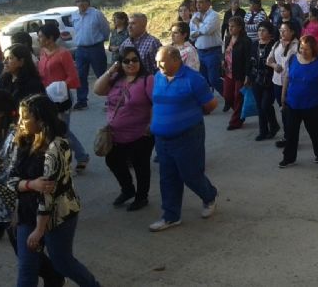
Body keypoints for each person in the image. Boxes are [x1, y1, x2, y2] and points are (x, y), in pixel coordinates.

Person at [10, 94, 100, 287]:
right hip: (28, 212)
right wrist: (30, 184)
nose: (20, 122)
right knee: (26, 267)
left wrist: (39, 230)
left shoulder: (57, 146)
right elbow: (9, 180)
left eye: (25, 117)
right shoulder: (22, 140)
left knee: (63, 263)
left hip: (57, 215)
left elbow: (48, 193)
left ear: (41, 120)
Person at [149, 47, 218, 232]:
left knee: (191, 174)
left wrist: (187, 115)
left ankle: (209, 195)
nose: (157, 65)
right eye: (156, 62)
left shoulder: (193, 79)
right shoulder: (157, 77)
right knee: (167, 177)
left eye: (161, 62)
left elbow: (210, 104)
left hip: (187, 136)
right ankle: (171, 216)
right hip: (162, 138)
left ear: (175, 59)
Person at [92, 47, 154, 212]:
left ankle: (142, 197)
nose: (131, 63)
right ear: (120, 63)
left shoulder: (147, 80)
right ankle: (127, 189)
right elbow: (97, 90)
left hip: (141, 134)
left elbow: (157, 103)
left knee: (140, 166)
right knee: (112, 160)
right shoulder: (116, 79)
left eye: (135, 60)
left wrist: (152, 124)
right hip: (116, 134)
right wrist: (111, 70)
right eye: (126, 61)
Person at [36, 24, 89, 174]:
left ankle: (80, 156)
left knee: (62, 129)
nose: (39, 39)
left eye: (41, 36)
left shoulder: (63, 54)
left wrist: (58, 87)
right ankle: (69, 158)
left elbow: (73, 76)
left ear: (50, 38)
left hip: (61, 97)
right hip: (46, 97)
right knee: (53, 129)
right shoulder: (43, 52)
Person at [279, 36, 318, 168]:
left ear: (313, 49)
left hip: (312, 105)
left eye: (307, 49)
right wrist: (283, 95)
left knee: (315, 131)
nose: (303, 51)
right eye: (301, 48)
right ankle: (288, 158)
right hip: (292, 103)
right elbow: (287, 78)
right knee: (291, 132)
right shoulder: (293, 59)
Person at [0, 89, 18, 286]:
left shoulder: (14, 137)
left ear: (0, 112)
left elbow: (16, 173)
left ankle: (53, 274)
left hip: (9, 205)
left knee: (26, 253)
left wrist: (18, 209)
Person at [70, 0, 110, 110]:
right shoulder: (74, 15)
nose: (81, 3)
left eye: (84, 0)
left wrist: (102, 40)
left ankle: (110, 99)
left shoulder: (96, 14)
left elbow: (105, 29)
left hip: (95, 48)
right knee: (80, 76)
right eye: (78, 1)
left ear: (89, 2)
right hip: (81, 50)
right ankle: (82, 101)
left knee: (102, 75)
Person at [247, 21, 280, 142]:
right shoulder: (254, 44)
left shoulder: (274, 45)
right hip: (256, 79)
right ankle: (263, 131)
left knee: (266, 104)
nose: (260, 32)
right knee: (260, 107)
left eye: (264, 30)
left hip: (270, 80)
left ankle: (274, 125)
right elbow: (250, 61)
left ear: (270, 33)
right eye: (259, 30)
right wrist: (248, 76)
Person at [267, 23, 299, 149]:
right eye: (281, 30)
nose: (282, 33)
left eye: (285, 30)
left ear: (292, 32)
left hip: (291, 83)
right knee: (283, 109)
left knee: (290, 112)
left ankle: (290, 137)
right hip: (277, 82)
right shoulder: (277, 44)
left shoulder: (297, 46)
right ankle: (287, 136)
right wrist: (275, 66)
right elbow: (269, 60)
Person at [191, 0, 224, 96]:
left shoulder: (214, 15)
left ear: (209, 4)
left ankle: (229, 97)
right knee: (203, 81)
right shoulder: (195, 16)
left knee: (214, 79)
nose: (198, 5)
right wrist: (200, 29)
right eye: (197, 2)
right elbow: (191, 34)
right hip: (200, 52)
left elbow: (207, 30)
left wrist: (199, 26)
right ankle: (207, 103)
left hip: (213, 52)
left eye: (201, 2)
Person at [222, 16, 251, 130]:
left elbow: (248, 59)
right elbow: (225, 52)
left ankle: (235, 121)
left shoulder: (246, 41)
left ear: (240, 27)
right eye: (229, 26)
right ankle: (240, 114)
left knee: (238, 97)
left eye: (233, 26)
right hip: (228, 72)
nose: (230, 28)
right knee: (227, 95)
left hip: (240, 73)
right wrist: (223, 60)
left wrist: (247, 75)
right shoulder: (228, 38)